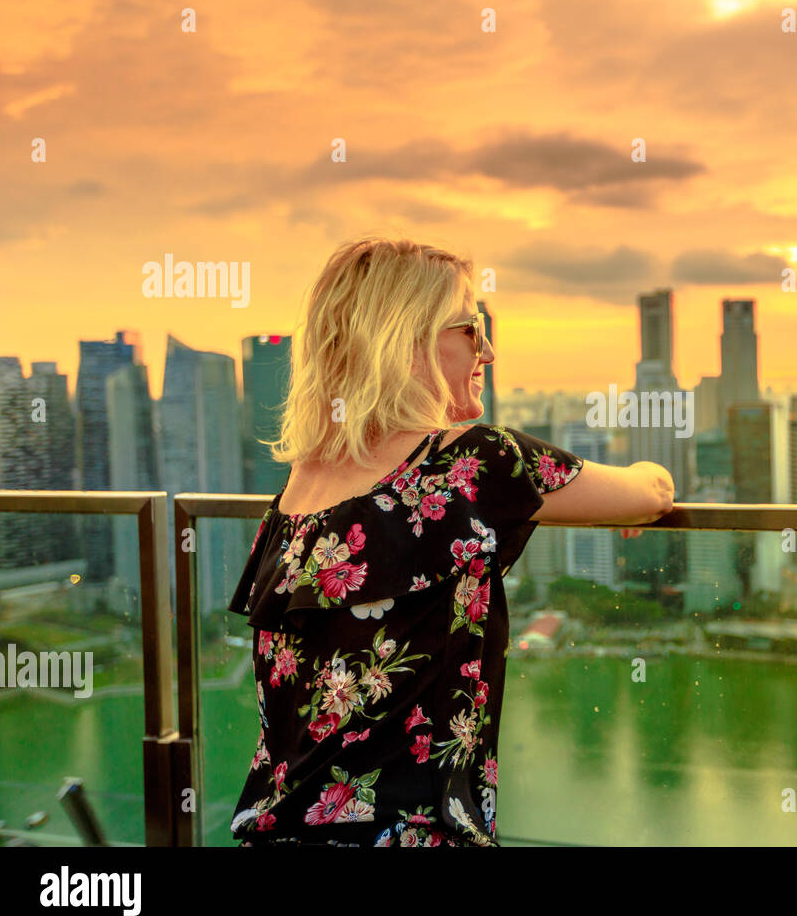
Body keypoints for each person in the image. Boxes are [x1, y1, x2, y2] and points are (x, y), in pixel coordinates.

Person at [228, 237, 674, 846]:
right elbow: (648, 493)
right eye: (471, 327)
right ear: (407, 338)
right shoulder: (472, 462)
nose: (487, 348)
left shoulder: (302, 483)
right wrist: (651, 474)